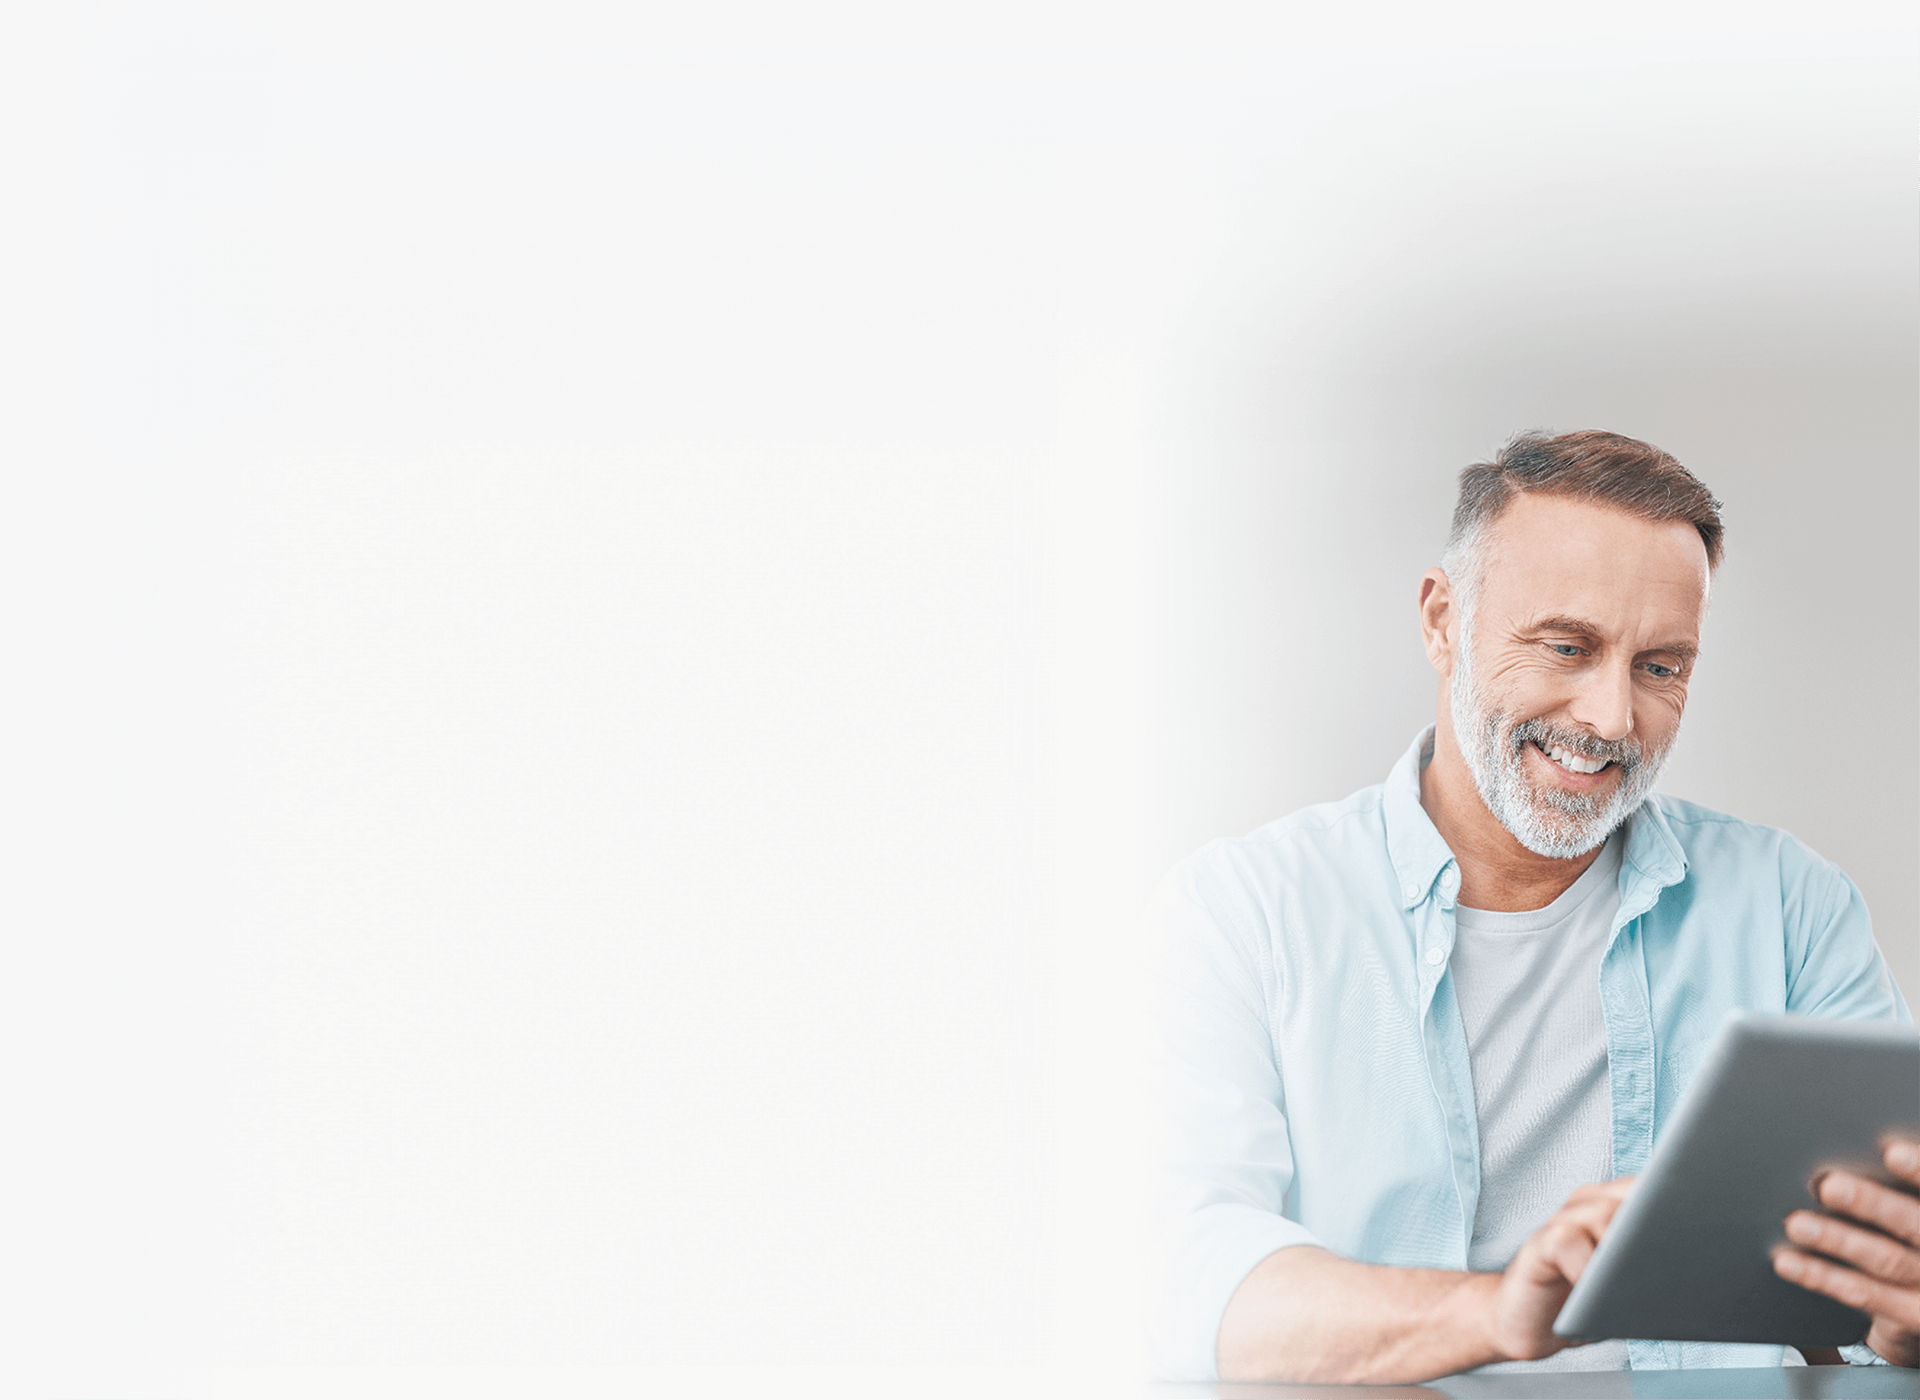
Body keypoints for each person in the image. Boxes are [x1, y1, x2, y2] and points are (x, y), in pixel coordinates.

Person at [1150, 430, 1917, 1383]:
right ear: (1442, 622)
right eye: (1567, 646)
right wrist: (1495, 1313)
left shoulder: (1792, 907)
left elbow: (1856, 1309)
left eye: (1662, 667)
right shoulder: (1246, 913)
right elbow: (1194, 1282)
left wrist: (1900, 1313)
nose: (1610, 718)